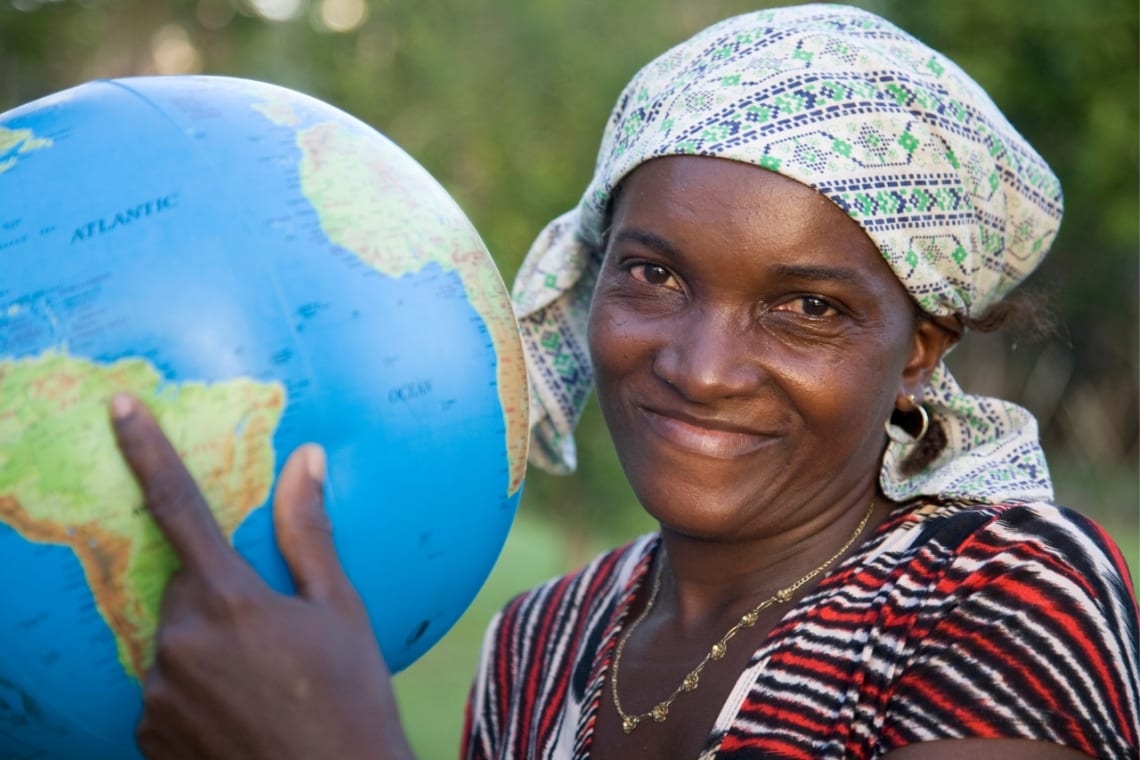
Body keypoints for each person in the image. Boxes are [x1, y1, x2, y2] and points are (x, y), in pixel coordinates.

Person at [109, 4, 1139, 759]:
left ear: (921, 343)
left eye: (808, 307)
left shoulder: (1002, 594)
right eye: (656, 274)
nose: (699, 366)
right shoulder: (538, 644)